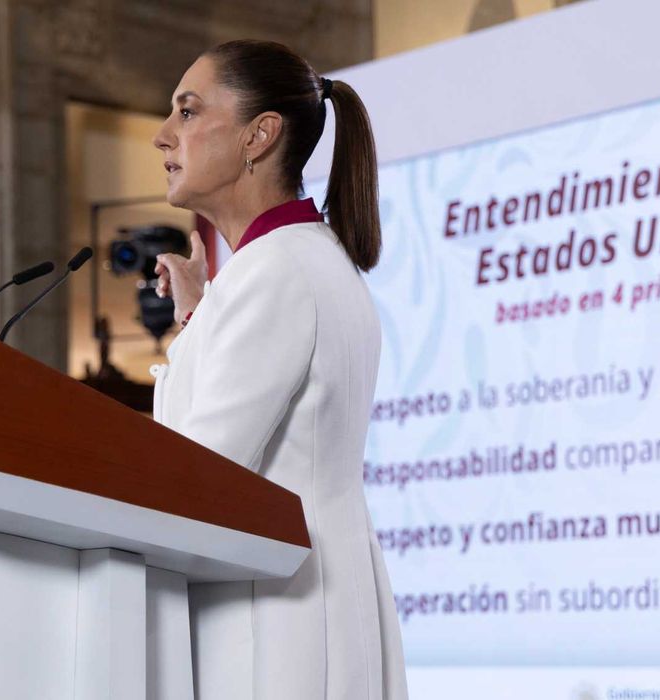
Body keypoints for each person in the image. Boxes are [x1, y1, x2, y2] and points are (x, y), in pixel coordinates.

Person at [150, 39, 407, 699]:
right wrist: (200, 316)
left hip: (278, 628)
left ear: (258, 135)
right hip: (302, 609)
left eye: (187, 111)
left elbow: (197, 478)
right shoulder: (301, 258)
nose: (162, 135)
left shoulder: (274, 271)